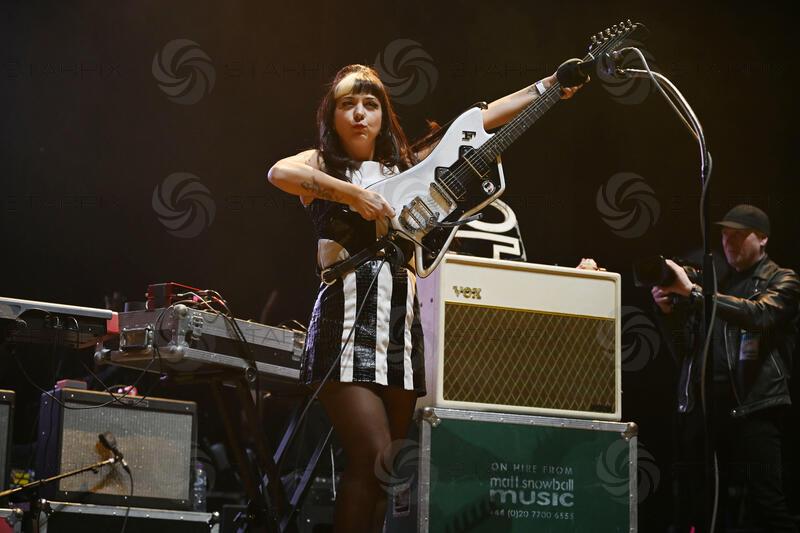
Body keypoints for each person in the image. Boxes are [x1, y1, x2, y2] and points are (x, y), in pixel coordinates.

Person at [268, 63, 582, 532]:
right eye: (347, 104)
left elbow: (482, 118)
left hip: (401, 325)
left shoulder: (409, 165)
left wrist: (552, 87)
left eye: (370, 105)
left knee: (387, 470)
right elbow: (279, 172)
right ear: (331, 116)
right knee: (371, 455)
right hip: (344, 320)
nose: (359, 114)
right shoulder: (323, 164)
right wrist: (354, 196)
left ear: (382, 115)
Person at [652, 204, 800, 532]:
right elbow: (684, 351)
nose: (728, 242)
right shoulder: (715, 282)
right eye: (724, 235)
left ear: (762, 238)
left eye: (738, 235)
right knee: (694, 504)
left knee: (767, 504)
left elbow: (760, 315)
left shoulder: (782, 279)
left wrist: (696, 294)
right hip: (705, 410)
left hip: (754, 409)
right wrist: (668, 311)